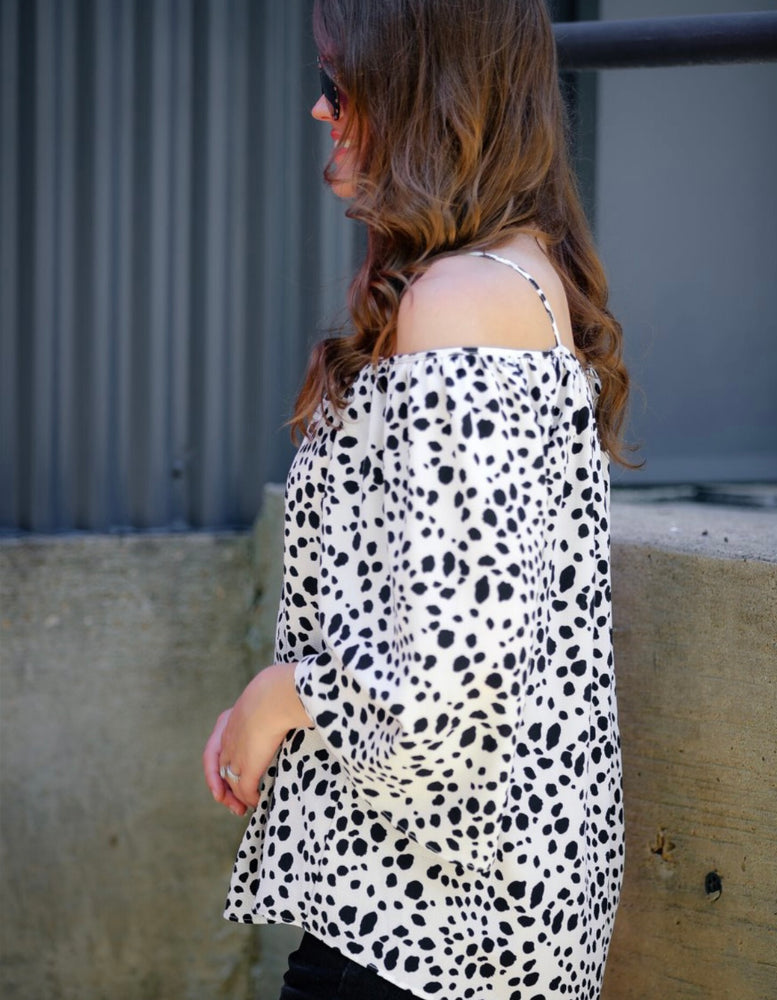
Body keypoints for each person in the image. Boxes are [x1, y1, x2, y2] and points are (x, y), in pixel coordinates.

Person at [203, 2, 630, 997]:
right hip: (436, 897)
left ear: (428, 97)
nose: (319, 110)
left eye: (342, 85)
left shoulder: (460, 299)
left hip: (438, 922)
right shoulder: (499, 275)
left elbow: (451, 676)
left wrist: (283, 694)